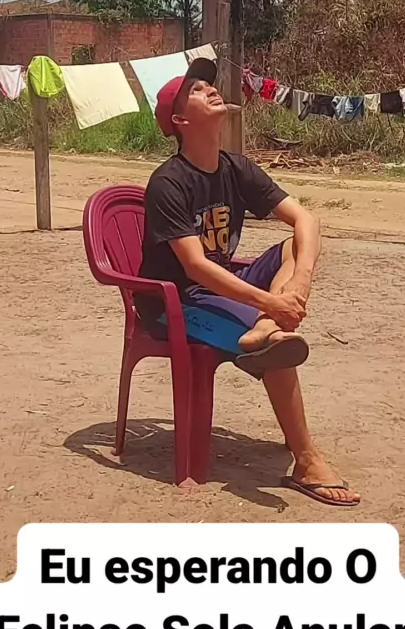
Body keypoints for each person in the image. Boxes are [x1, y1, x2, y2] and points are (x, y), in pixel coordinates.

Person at [137, 57, 360, 507]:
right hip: (176, 301)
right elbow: (195, 267)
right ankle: (307, 461)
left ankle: (265, 327)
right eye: (195, 90)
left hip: (219, 286)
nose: (211, 89)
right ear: (180, 121)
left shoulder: (235, 168)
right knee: (279, 343)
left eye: (208, 85)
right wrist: (272, 303)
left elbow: (307, 220)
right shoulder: (168, 183)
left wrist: (297, 285)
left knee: (295, 246)